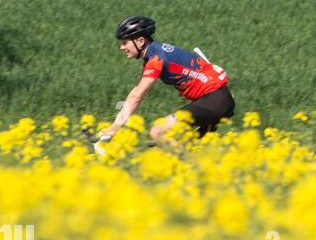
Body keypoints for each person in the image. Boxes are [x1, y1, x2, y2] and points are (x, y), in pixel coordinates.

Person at [95, 16, 234, 152]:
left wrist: (113, 129)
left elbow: (136, 97)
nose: (121, 47)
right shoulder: (156, 53)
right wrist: (114, 126)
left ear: (140, 41)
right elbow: (135, 91)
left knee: (157, 131)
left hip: (214, 100)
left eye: (125, 42)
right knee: (190, 148)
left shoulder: (156, 59)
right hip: (218, 99)